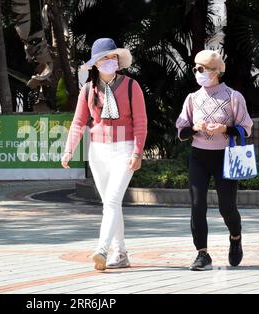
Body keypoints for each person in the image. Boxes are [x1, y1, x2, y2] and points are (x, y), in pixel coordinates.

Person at [61, 38, 148, 271]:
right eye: (104, 58)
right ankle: (120, 254)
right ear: (96, 64)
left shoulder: (132, 86)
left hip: (125, 148)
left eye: (112, 57)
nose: (109, 61)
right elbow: (79, 122)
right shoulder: (88, 89)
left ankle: (102, 248)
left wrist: (137, 152)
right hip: (98, 151)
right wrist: (69, 149)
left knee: (111, 200)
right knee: (111, 204)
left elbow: (140, 122)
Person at [175, 50, 253, 271]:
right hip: (199, 156)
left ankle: (235, 238)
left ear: (216, 72)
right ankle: (202, 254)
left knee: (226, 207)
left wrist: (224, 129)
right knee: (197, 205)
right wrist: (194, 128)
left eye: (201, 69)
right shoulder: (192, 98)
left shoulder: (233, 97)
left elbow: (246, 129)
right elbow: (181, 132)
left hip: (225, 157)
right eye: (196, 68)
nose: (197, 72)